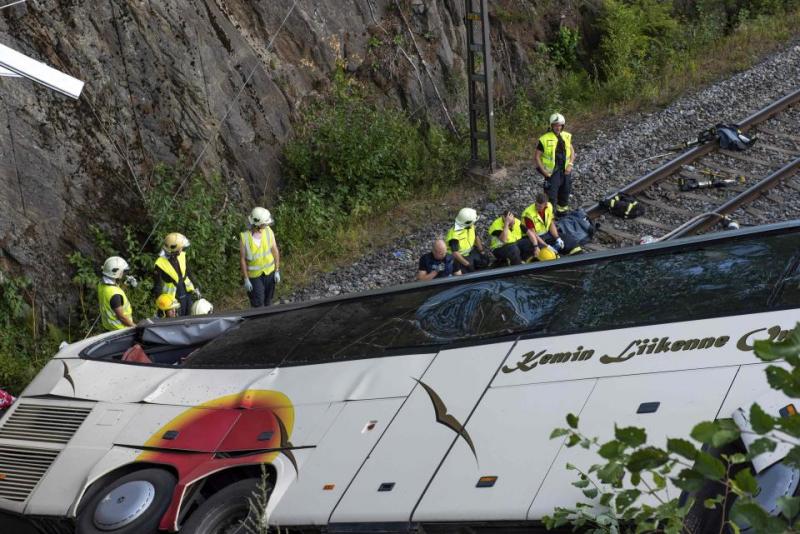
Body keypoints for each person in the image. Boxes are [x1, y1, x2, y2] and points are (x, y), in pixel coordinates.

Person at [535, 112, 575, 217]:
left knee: (565, 192)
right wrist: (544, 171)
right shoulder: (544, 139)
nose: (558, 127)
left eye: (560, 125)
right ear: (551, 126)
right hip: (552, 172)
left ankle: (562, 214)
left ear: (563, 125)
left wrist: (570, 164)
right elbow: (537, 156)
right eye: (556, 125)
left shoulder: (566, 136)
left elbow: (572, 151)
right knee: (551, 196)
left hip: (565, 171)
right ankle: (550, 217)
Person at [241, 207, 281, 307]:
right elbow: (242, 260)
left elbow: (275, 251)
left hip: (270, 273)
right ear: (259, 225)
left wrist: (277, 270)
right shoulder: (244, 238)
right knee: (258, 304)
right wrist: (246, 278)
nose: (266, 225)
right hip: (254, 277)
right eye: (264, 224)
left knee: (268, 301)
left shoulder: (268, 232)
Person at [153, 232, 200, 317]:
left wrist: (196, 287)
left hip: (187, 292)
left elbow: (189, 273)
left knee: (190, 316)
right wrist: (161, 306)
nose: (182, 249)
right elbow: (157, 287)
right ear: (176, 248)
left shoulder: (181, 256)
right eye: (181, 247)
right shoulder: (159, 263)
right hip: (173, 298)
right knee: (178, 320)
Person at [522, 193, 565, 258]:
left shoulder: (549, 206)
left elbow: (551, 223)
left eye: (540, 206)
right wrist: (546, 246)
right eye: (536, 205)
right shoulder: (529, 214)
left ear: (545, 204)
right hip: (532, 238)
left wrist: (557, 238)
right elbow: (533, 234)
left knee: (563, 240)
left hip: (545, 234)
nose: (537, 208)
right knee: (547, 255)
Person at [98, 256, 135, 331]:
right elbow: (122, 317)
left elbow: (113, 294)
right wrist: (135, 327)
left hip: (109, 326)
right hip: (121, 329)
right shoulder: (115, 295)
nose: (123, 273)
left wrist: (125, 285)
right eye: (122, 271)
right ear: (115, 272)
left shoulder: (101, 284)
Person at [445, 207, 488, 273]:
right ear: (468, 222)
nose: (474, 223)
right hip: (459, 257)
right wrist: (467, 264)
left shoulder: (471, 226)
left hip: (470, 252)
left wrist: (482, 251)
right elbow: (455, 253)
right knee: (468, 272)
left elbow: (476, 238)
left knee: (485, 261)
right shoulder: (454, 235)